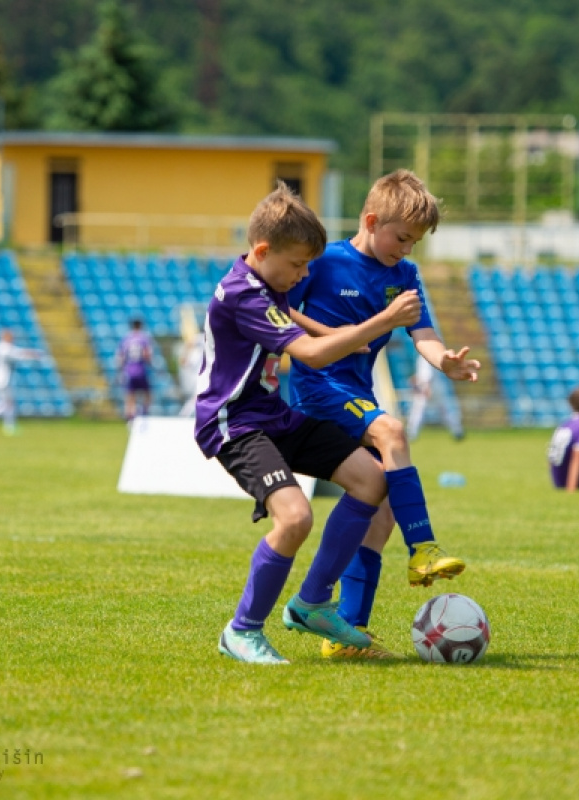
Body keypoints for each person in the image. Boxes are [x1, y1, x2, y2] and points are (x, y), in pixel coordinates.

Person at [193, 182, 422, 665]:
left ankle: (312, 601)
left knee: (371, 478)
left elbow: (297, 321)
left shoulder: (262, 282)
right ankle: (241, 630)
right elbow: (313, 356)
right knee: (296, 517)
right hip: (235, 423)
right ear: (262, 250)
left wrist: (334, 331)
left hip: (273, 416)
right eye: (297, 265)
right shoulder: (243, 295)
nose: (303, 274)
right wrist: (379, 322)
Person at [287, 169, 480, 659]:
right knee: (393, 428)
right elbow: (282, 311)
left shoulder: (404, 276)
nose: (408, 249)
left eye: (415, 242)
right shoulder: (324, 262)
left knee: (385, 503)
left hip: (358, 393)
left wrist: (446, 363)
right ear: (371, 220)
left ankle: (347, 633)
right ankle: (423, 551)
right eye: (402, 238)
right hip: (318, 388)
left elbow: (425, 335)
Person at [0, 329, 45, 435]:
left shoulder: (3, 347)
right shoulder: (2, 347)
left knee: (8, 403)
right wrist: (34, 354)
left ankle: (8, 426)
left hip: (4, 378)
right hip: (1, 379)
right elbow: (18, 354)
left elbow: (18, 353)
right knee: (5, 402)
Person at [406, 353, 464, 441]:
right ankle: (457, 431)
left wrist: (427, 387)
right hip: (436, 386)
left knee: (418, 411)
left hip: (428, 386)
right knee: (445, 410)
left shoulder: (425, 356)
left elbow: (426, 374)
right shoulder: (429, 355)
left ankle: (412, 433)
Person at [117, 318, 153, 422]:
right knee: (147, 393)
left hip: (129, 371)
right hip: (141, 370)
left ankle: (130, 417)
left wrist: (121, 369)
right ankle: (144, 413)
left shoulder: (126, 338)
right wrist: (150, 364)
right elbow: (147, 354)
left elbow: (121, 356)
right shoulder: (144, 338)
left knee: (130, 394)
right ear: (140, 326)